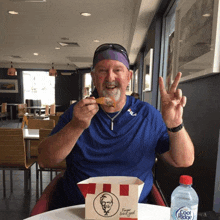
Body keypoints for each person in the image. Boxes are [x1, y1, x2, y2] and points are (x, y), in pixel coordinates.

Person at [38, 43, 194, 210]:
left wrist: (175, 124)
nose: (110, 77)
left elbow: (183, 161)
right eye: (102, 70)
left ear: (129, 76)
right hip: (80, 210)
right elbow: (45, 160)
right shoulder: (76, 112)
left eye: (118, 70)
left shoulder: (148, 115)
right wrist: (76, 126)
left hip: (135, 210)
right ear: (93, 77)